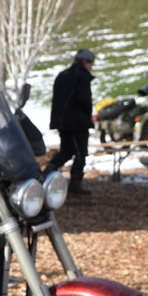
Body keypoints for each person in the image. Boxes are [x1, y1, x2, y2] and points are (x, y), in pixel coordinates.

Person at [44, 48, 96, 196]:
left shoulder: (63, 75)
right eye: (91, 63)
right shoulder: (81, 76)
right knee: (80, 152)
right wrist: (87, 115)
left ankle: (45, 174)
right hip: (77, 122)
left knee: (66, 151)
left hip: (63, 122)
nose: (91, 66)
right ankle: (75, 184)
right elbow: (84, 99)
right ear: (85, 61)